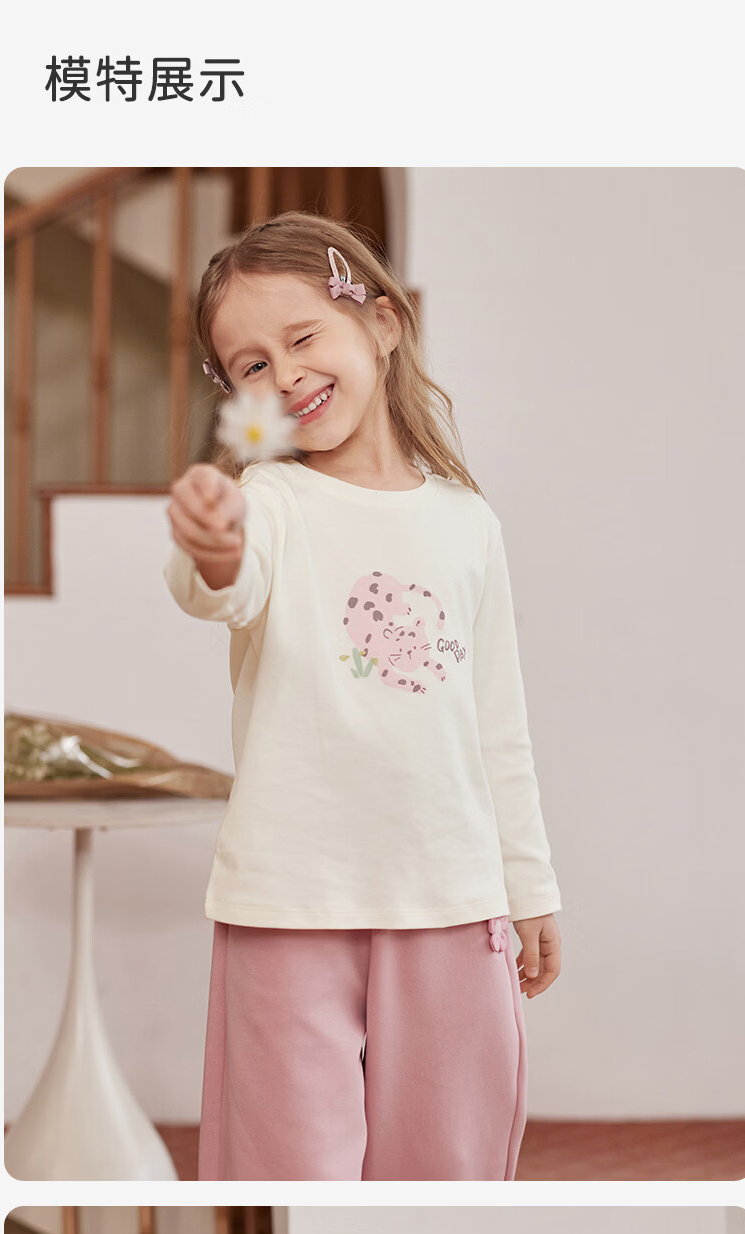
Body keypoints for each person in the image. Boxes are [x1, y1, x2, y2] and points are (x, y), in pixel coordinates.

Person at [165, 211, 561, 1182]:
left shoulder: (468, 524)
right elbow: (223, 586)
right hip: (288, 900)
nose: (286, 375)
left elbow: (498, 727)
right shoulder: (267, 505)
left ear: (381, 323)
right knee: (283, 1159)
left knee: (449, 1164)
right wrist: (211, 546)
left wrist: (531, 886)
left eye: (303, 337)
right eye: (251, 365)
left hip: (452, 897)